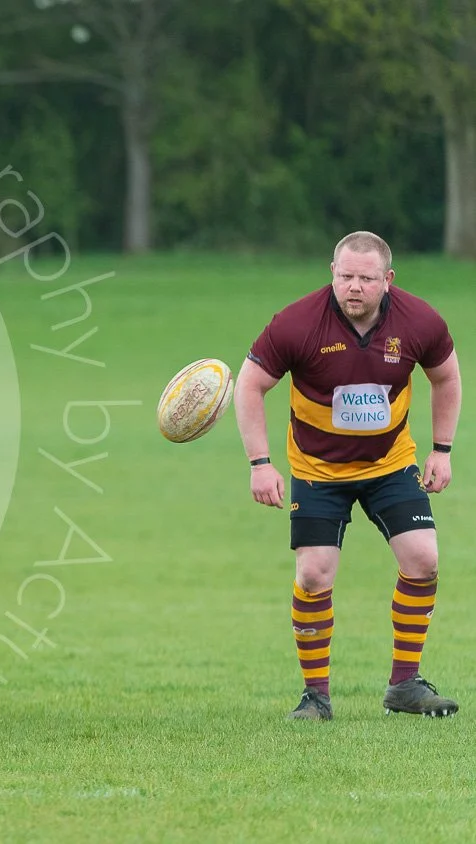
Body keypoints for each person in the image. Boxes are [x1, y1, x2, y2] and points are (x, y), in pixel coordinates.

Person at [234, 231, 461, 721]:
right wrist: (260, 462)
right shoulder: (296, 324)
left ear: (388, 280)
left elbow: (446, 376)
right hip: (318, 470)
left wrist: (442, 450)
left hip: (390, 464)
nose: (354, 286)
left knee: (423, 559)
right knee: (314, 574)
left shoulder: (420, 321)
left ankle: (405, 685)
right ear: (331, 272)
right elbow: (250, 385)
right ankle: (316, 697)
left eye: (366, 278)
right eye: (345, 276)